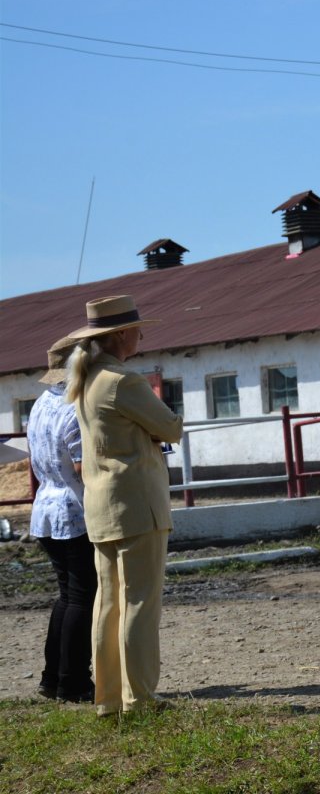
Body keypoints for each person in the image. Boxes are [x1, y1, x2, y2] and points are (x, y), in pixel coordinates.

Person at [65, 295, 183, 715]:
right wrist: (152, 434)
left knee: (109, 604)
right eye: (136, 328)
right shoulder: (122, 381)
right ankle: (141, 700)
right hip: (137, 504)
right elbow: (171, 426)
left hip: (101, 505)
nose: (142, 334)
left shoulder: (84, 380)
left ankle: (110, 698)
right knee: (140, 604)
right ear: (118, 336)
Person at [28, 335, 97, 703]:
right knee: (83, 597)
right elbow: (83, 464)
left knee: (67, 596)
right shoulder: (75, 407)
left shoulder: (41, 403)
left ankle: (53, 676)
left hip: (45, 508)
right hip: (74, 509)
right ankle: (74, 682)